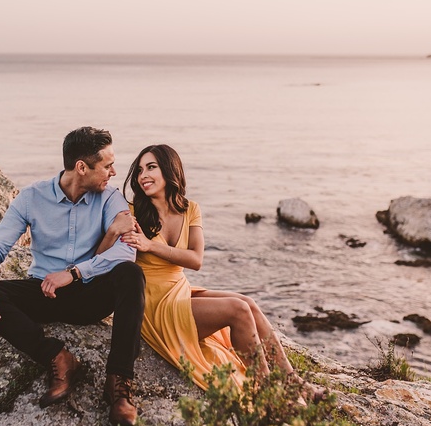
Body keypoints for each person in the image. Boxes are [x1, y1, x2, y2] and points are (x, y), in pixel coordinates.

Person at [98, 144, 325, 403]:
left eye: (151, 167)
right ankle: (269, 394)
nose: (143, 176)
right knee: (237, 310)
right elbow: (101, 257)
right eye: (139, 170)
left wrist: (151, 245)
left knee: (248, 303)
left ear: (170, 170)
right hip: (152, 303)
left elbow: (196, 259)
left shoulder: (190, 209)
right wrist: (113, 231)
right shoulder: (132, 211)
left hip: (179, 290)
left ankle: (292, 382)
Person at [0, 126, 144, 426]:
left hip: (90, 295)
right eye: (107, 165)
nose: (114, 172)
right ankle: (58, 357)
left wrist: (74, 273)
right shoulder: (32, 197)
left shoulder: (111, 199)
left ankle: (118, 383)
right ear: (81, 167)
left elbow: (125, 253)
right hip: (44, 293)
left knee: (131, 274)